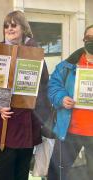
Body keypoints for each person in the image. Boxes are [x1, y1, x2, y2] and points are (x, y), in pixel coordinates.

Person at [0, 10, 51, 180]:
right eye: (6, 26)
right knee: (6, 169)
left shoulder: (35, 52)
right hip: (6, 119)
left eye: (13, 25)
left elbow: (44, 85)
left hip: (28, 121)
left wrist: (40, 115)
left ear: (23, 28)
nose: (9, 29)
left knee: (22, 169)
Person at [47, 24, 93, 180]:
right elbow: (53, 85)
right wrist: (61, 98)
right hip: (69, 131)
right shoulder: (67, 66)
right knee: (56, 173)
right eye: (89, 38)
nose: (92, 41)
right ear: (83, 40)